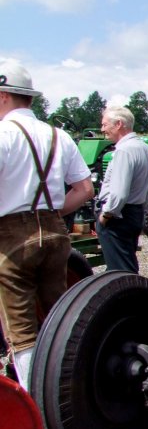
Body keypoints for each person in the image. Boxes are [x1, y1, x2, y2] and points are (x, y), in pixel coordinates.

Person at [0, 61, 94, 391]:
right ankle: (69, 386)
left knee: (20, 325)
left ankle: (34, 401)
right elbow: (85, 189)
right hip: (55, 232)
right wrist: (52, 211)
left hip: (11, 235)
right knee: (57, 315)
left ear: (3, 97)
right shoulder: (60, 136)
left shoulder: (3, 135)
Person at [96, 106, 148, 273]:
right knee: (126, 264)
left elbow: (119, 192)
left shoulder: (124, 150)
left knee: (119, 271)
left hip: (118, 217)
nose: (102, 129)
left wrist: (106, 215)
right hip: (133, 213)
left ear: (119, 124)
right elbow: (147, 187)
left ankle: (131, 298)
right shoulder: (143, 147)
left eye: (105, 124)